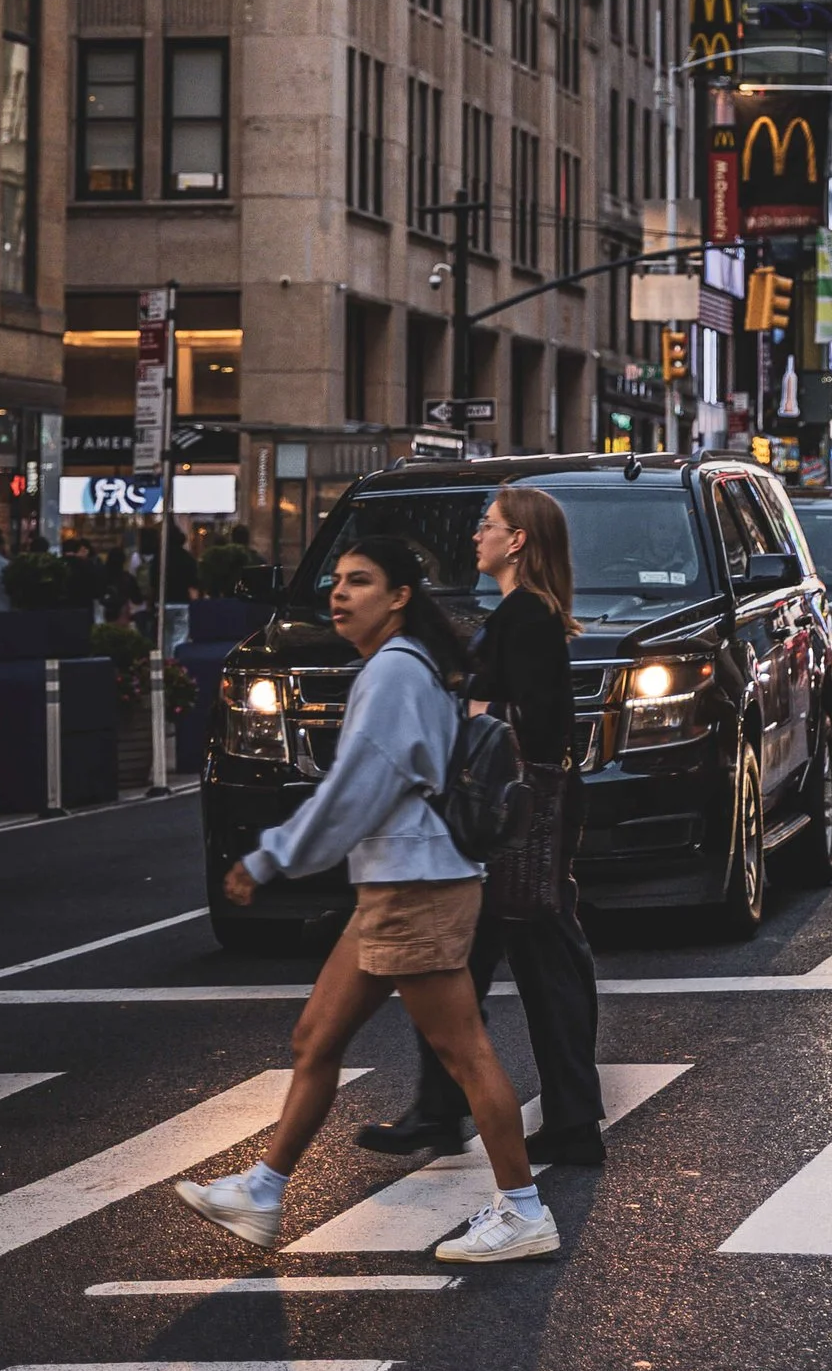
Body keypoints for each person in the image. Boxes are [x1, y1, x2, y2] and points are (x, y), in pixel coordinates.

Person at [179, 527, 558, 1264]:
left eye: (359, 582)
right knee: (316, 1039)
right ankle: (263, 1190)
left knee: (464, 1051)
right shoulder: (409, 665)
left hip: (417, 883)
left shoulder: (393, 672)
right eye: (337, 581)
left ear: (399, 598)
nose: (339, 594)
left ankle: (522, 1209)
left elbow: (359, 787)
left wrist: (272, 858)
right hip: (396, 879)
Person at [357, 483, 604, 1170]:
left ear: (518, 540)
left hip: (516, 822)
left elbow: (531, 719)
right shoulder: (521, 613)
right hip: (525, 817)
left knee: (492, 963)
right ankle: (478, 1112)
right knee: (499, 962)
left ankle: (491, 1116)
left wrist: (464, 719)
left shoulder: (526, 615)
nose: (477, 534)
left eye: (488, 525)